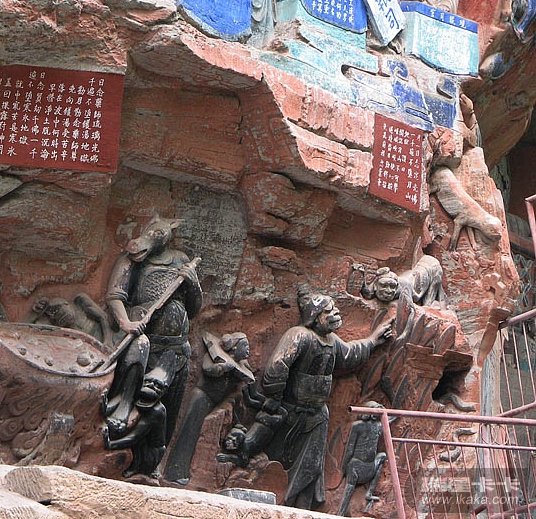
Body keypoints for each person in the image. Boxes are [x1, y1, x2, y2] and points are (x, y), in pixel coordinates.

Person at [218, 285, 392, 509]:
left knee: (311, 467)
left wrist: (373, 340)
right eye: (328, 311)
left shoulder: (331, 341)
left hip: (317, 416)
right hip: (289, 411)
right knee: (274, 456)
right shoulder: (300, 335)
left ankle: (300, 507)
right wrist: (275, 396)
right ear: (315, 316)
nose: (335, 313)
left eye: (334, 309)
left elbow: (350, 354)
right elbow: (277, 366)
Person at [102, 215, 202, 453]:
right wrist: (126, 323)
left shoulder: (181, 259)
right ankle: (123, 410)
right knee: (138, 378)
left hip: (176, 348)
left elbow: (193, 309)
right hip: (143, 336)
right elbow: (115, 296)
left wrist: (193, 283)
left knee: (168, 408)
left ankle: (156, 457)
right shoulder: (132, 260)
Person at [164, 332, 254, 484]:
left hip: (217, 403)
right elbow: (208, 369)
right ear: (234, 347)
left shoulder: (242, 365)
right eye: (244, 346)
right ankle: (175, 472)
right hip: (201, 398)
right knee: (189, 433)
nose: (247, 350)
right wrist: (223, 367)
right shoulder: (215, 356)